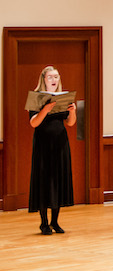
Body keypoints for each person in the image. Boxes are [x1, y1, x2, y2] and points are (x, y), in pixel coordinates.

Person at [28, 65, 77, 235]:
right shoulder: (36, 97)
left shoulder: (63, 97)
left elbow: (70, 123)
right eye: (50, 77)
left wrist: (73, 112)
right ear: (43, 79)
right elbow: (34, 123)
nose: (54, 80)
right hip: (43, 145)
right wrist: (45, 110)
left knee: (58, 180)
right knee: (43, 181)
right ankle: (44, 223)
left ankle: (55, 222)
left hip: (60, 144)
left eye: (56, 77)